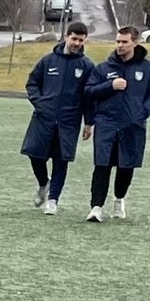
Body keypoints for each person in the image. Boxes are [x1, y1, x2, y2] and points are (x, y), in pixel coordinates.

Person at [83, 25, 150, 222]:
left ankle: (119, 199)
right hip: (106, 124)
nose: (120, 45)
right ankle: (96, 207)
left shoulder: (147, 68)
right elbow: (89, 91)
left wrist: (141, 113)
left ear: (135, 43)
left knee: (126, 166)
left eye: (124, 42)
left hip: (132, 126)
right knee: (101, 165)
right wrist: (110, 85)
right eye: (118, 41)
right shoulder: (104, 68)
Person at [19, 21, 97, 216]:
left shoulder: (87, 66)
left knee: (61, 160)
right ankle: (43, 182)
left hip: (69, 121)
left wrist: (89, 122)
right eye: (74, 38)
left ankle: (53, 200)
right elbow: (32, 84)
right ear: (66, 36)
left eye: (81, 40)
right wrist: (40, 103)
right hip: (43, 118)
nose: (77, 43)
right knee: (34, 154)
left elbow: (90, 97)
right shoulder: (48, 61)